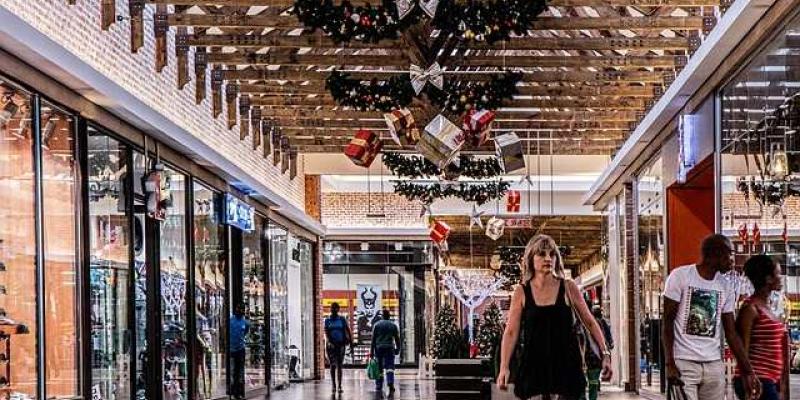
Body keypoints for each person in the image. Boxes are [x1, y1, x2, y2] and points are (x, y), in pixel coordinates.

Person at [497, 234, 612, 400]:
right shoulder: (522, 292)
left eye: (552, 254)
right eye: (542, 254)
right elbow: (511, 332)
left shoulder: (568, 287)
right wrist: (504, 367)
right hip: (534, 366)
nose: (548, 258)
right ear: (531, 258)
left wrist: (605, 353)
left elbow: (590, 322)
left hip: (566, 366)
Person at [662, 234, 759, 400]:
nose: (732, 260)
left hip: (713, 364)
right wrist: (670, 362)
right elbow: (667, 322)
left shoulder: (726, 286)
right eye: (730, 254)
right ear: (715, 254)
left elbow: (731, 333)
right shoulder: (680, 277)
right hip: (684, 362)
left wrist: (748, 370)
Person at [733, 255, 789, 400]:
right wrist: (748, 379)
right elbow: (742, 349)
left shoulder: (769, 309)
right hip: (758, 380)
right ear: (768, 279)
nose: (781, 277)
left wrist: (782, 384)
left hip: (771, 379)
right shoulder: (750, 309)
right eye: (777, 273)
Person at [581, 305, 614, 400]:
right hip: (596, 356)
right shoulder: (600, 322)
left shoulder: (584, 322)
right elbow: (607, 337)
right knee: (593, 383)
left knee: (582, 384)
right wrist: (606, 351)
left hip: (586, 356)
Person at [371, 308, 401, 395]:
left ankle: (379, 385)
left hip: (379, 348)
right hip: (389, 348)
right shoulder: (393, 325)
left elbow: (373, 340)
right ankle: (390, 382)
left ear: (382, 316)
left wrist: (372, 352)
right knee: (390, 367)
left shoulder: (377, 325)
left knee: (379, 368)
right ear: (389, 316)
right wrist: (398, 349)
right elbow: (397, 338)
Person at [324, 302, 352, 394]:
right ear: (330, 309)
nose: (334, 310)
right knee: (332, 365)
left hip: (341, 344)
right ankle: (333, 385)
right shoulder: (327, 320)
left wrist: (350, 342)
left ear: (338, 309)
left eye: (336, 308)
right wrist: (329, 342)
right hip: (331, 345)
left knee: (339, 365)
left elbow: (348, 330)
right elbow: (326, 332)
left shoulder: (342, 319)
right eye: (333, 308)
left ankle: (339, 385)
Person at [229, 302, 250, 400]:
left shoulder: (245, 322)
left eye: (242, 310)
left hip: (240, 349)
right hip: (231, 349)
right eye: (239, 309)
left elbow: (245, 332)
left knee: (239, 371)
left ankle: (239, 392)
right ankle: (233, 389)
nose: (241, 311)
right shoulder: (230, 321)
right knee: (233, 370)